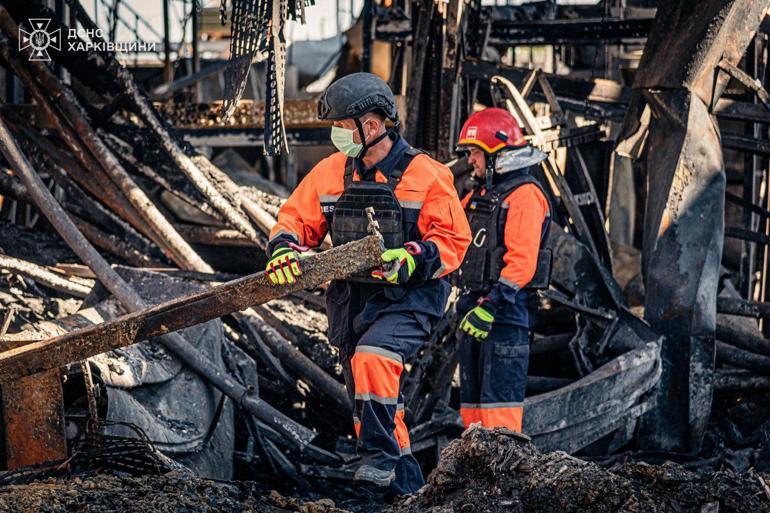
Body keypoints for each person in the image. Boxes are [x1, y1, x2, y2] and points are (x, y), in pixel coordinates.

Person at [265, 72, 471, 494]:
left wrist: (411, 258)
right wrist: (284, 249)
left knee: (374, 358)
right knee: (371, 400)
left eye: (342, 127)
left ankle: (377, 460)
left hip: (409, 298)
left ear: (372, 126)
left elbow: (453, 240)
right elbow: (293, 220)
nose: (337, 136)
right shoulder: (329, 174)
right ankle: (408, 492)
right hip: (351, 302)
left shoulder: (427, 175)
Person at [453, 107, 551, 433]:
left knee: (499, 408)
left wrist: (491, 305)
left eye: (475, 153)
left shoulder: (524, 196)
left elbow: (522, 262)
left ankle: (502, 476)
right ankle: (473, 472)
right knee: (472, 404)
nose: (471, 161)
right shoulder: (479, 195)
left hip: (505, 314)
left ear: (497, 153)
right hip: (474, 308)